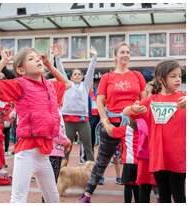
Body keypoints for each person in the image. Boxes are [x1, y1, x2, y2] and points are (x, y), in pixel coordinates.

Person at [0, 48, 71, 203]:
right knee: (18, 199)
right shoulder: (20, 85)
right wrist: (3, 62)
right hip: (27, 152)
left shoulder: (49, 85)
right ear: (21, 69)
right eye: (31, 59)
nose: (37, 60)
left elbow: (67, 83)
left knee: (53, 198)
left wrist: (49, 64)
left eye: (38, 57)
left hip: (44, 153)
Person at [77, 42, 146, 203]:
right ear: (115, 56)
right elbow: (100, 102)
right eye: (122, 52)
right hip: (112, 123)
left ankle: (146, 193)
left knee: (137, 160)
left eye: (128, 52)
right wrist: (105, 122)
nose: (125, 55)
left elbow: (144, 100)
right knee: (102, 161)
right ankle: (87, 194)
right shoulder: (107, 77)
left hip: (134, 125)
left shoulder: (137, 76)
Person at [124, 60, 186, 203]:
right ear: (161, 78)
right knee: (163, 196)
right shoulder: (151, 100)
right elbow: (126, 111)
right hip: (158, 157)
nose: (178, 79)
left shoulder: (184, 99)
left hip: (179, 157)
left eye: (179, 76)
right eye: (173, 76)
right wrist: (133, 109)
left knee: (180, 196)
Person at [53, 44, 97, 164]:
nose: (77, 75)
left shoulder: (85, 85)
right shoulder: (67, 84)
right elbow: (61, 71)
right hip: (68, 120)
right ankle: (62, 171)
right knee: (67, 148)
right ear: (71, 77)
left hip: (83, 120)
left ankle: (92, 173)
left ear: (82, 77)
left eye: (79, 74)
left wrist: (94, 58)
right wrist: (57, 58)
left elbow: (90, 72)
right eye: (75, 74)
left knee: (88, 148)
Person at [103, 118, 139, 203]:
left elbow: (111, 132)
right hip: (140, 162)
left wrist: (105, 121)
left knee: (128, 186)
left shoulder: (125, 129)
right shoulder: (144, 128)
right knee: (137, 186)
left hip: (128, 161)